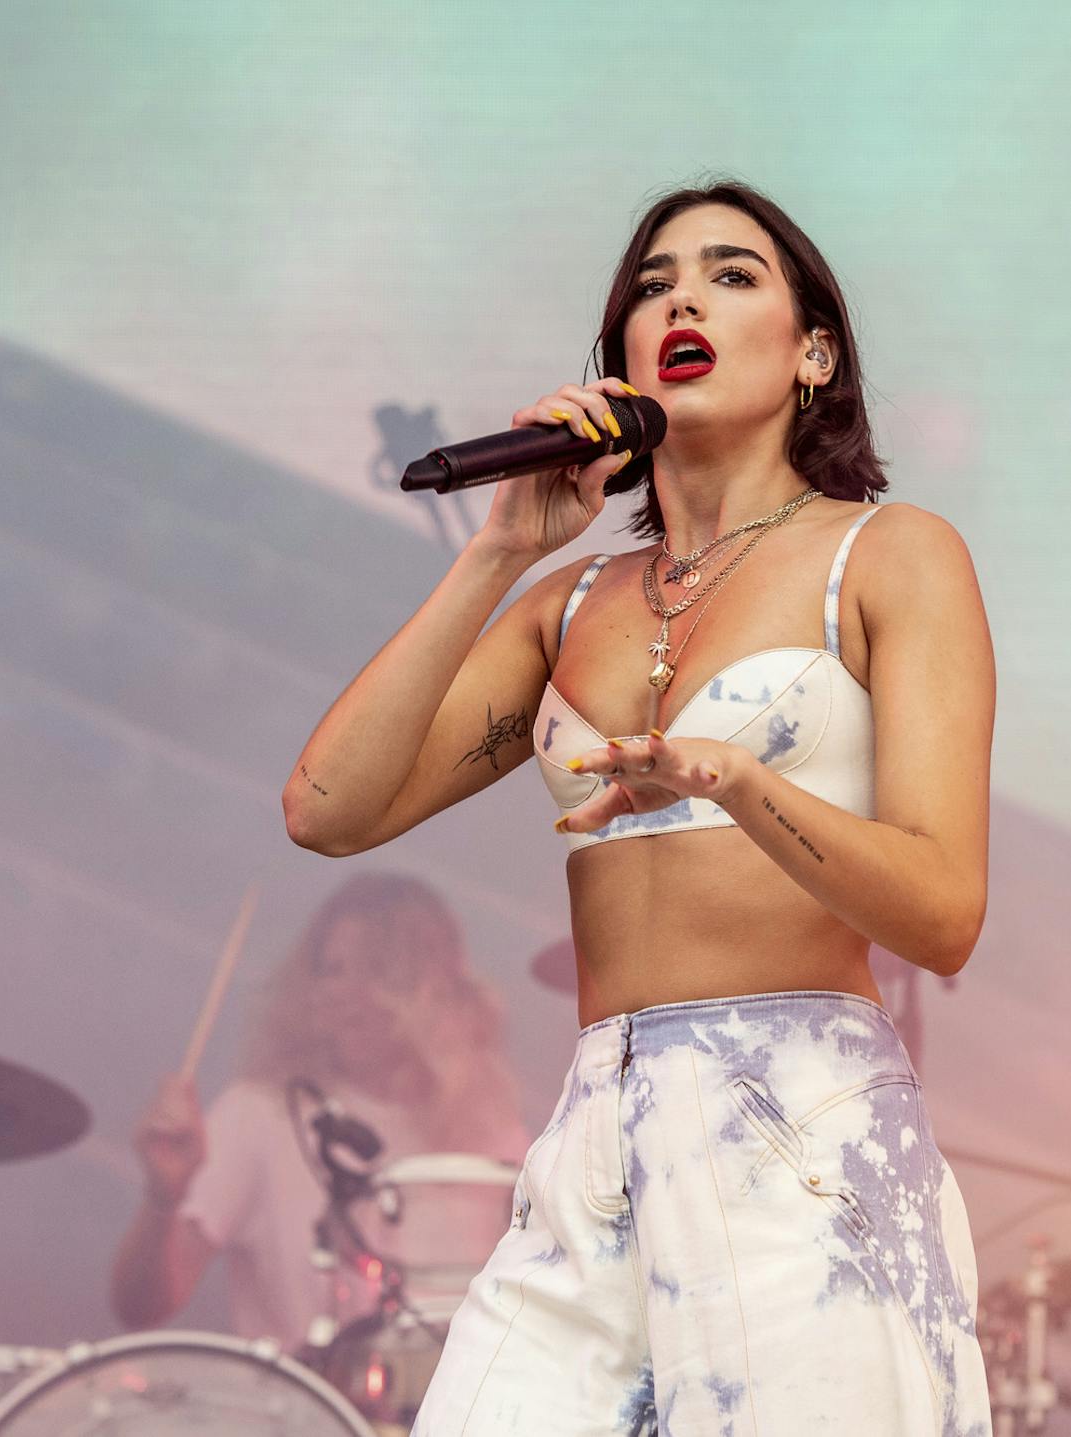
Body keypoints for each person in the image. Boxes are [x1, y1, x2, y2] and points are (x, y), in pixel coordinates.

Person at [284, 180, 995, 1436]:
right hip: (600, 1129)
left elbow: (943, 914)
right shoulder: (576, 600)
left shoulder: (888, 555)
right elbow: (328, 810)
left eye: (732, 276)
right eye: (653, 285)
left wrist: (741, 780)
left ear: (814, 349)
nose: (682, 298)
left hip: (804, 1136)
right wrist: (502, 548)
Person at [109, 871, 528, 1351]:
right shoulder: (261, 1115)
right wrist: (164, 1198)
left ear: (432, 987)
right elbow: (140, 1306)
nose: (341, 991)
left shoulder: (492, 1136)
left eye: (374, 971)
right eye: (330, 970)